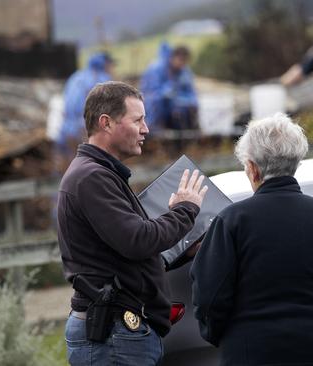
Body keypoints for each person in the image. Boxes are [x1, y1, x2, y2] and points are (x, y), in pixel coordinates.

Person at [190, 113, 313, 365]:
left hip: (250, 352)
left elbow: (210, 300)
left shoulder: (231, 221)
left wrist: (225, 335)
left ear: (253, 168)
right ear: (296, 162)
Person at [57, 81, 208, 365]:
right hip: (113, 336)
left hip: (118, 334)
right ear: (106, 123)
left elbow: (122, 256)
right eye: (138, 120)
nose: (146, 129)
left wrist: (179, 252)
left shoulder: (99, 175)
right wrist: (185, 210)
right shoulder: (92, 178)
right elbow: (138, 240)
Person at [57, 52, 114, 158]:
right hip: (86, 128)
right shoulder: (101, 78)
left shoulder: (76, 76)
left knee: (71, 165)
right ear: (104, 64)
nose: (112, 68)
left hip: (66, 128)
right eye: (110, 64)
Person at [140, 43, 198, 132]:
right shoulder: (156, 69)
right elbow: (150, 92)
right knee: (157, 101)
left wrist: (188, 101)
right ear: (173, 57)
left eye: (185, 62)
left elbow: (190, 92)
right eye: (181, 60)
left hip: (175, 107)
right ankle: (154, 129)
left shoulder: (185, 72)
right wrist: (167, 92)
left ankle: (190, 132)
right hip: (155, 104)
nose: (182, 64)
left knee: (190, 108)